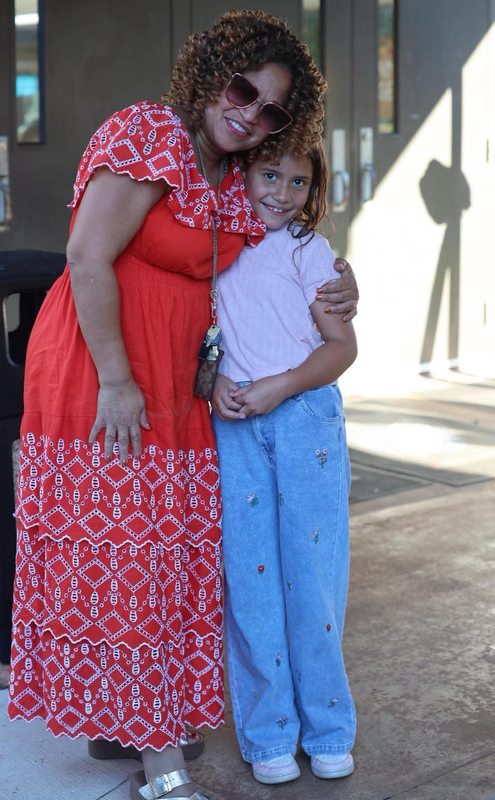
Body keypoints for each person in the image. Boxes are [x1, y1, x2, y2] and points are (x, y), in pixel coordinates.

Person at [7, 10, 358, 800]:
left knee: (164, 559)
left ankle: (127, 719)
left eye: (271, 109)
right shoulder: (148, 133)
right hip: (105, 373)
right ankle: (158, 760)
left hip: (177, 385)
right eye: (244, 90)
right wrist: (119, 380)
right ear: (211, 72)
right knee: (123, 555)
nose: (251, 114)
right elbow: (86, 258)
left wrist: (343, 281)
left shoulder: (231, 178)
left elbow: (278, 258)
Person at [211, 142, 357, 786]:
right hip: (236, 425)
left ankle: (328, 727)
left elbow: (341, 347)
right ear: (240, 172)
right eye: (270, 174)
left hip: (304, 423)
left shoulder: (309, 252)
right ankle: (268, 734)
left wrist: (283, 384)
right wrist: (211, 379)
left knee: (313, 579)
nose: (283, 192)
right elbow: (203, 334)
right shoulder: (212, 244)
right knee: (251, 581)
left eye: (299, 181)